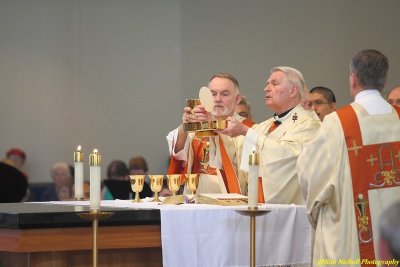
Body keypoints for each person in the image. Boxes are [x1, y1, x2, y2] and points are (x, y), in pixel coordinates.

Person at [297, 49, 400, 265]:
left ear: (353, 79)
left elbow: (311, 173)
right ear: (384, 80)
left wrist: (315, 212)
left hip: (352, 240)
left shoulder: (338, 123)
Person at [218, 66, 320, 204]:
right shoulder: (264, 126)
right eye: (267, 83)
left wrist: (246, 131)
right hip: (257, 206)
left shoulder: (309, 124)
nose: (266, 88)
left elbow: (288, 156)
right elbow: (236, 151)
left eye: (274, 83)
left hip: (288, 209)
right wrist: (213, 127)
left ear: (292, 90)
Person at [166, 73, 255, 195]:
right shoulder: (198, 123)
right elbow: (178, 155)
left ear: (237, 99)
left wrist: (212, 125)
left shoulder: (247, 128)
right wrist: (184, 126)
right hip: (196, 198)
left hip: (229, 200)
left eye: (224, 94)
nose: (217, 99)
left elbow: (236, 161)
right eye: (213, 94)